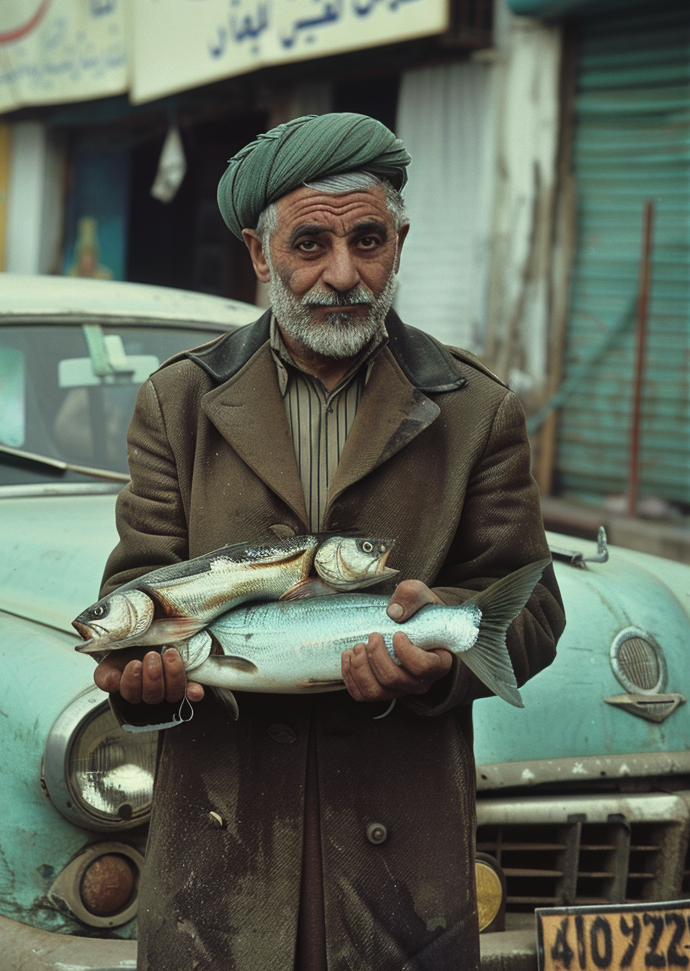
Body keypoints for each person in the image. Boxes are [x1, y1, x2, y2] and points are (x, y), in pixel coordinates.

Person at [92, 112, 565, 971]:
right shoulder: (180, 404)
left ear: (401, 242)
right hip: (219, 869)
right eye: (309, 243)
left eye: (368, 241)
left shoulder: (474, 411)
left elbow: (529, 616)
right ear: (259, 255)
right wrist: (144, 683)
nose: (342, 275)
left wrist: (442, 652)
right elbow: (139, 594)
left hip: (401, 874)